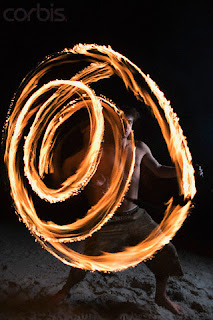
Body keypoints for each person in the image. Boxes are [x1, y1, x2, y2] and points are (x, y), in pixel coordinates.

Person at [50, 106, 183, 314]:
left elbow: (158, 170)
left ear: (133, 125)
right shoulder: (100, 150)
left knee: (165, 251)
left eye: (129, 121)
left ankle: (161, 295)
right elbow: (68, 167)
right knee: (87, 259)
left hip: (136, 216)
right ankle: (65, 290)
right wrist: (91, 182)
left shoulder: (139, 148)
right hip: (108, 219)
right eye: (120, 120)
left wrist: (182, 170)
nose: (124, 125)